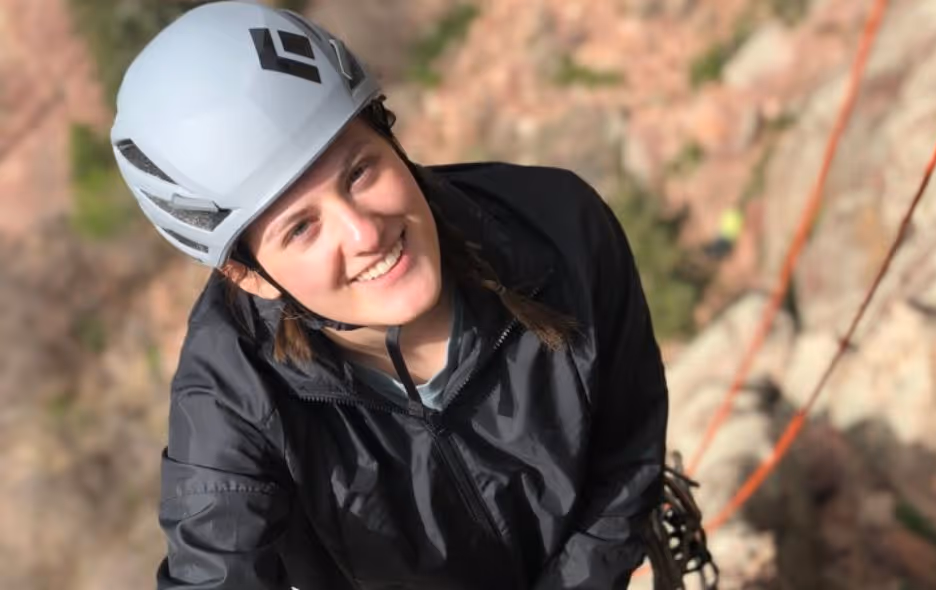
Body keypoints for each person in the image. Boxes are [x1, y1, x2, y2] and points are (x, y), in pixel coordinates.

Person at [111, 2, 669, 589]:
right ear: (246, 275)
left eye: (359, 172)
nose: (365, 233)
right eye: (301, 228)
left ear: (388, 133)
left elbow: (626, 451)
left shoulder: (558, 232)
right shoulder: (233, 399)